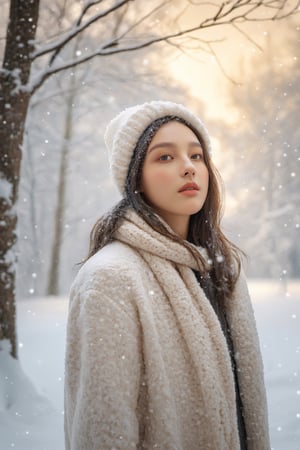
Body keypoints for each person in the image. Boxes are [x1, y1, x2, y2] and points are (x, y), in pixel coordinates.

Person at [64, 100, 270, 450]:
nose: (188, 168)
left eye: (196, 155)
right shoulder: (110, 279)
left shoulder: (223, 269)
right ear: (136, 180)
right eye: (165, 157)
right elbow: (102, 430)